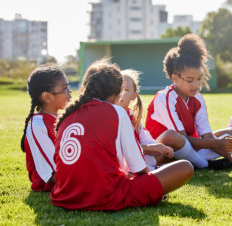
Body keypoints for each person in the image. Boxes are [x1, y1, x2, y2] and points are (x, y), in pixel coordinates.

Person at [50, 60, 193, 210]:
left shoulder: (66, 116)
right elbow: (138, 168)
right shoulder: (116, 112)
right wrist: (153, 186)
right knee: (185, 167)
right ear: (117, 94)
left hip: (64, 196)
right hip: (104, 196)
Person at [145, 34, 232, 170]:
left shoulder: (198, 98)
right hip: (163, 151)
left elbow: (207, 135)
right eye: (189, 80)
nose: (196, 85)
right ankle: (205, 164)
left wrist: (229, 156)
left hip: (189, 149)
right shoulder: (164, 98)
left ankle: (194, 161)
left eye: (199, 79)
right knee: (173, 136)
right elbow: (181, 139)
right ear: (175, 78)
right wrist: (216, 144)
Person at [117, 69, 184, 170]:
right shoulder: (110, 116)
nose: (121, 93)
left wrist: (161, 148)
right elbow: (120, 149)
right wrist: (149, 148)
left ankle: (154, 169)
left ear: (134, 96)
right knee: (182, 167)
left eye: (126, 90)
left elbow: (145, 139)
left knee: (162, 155)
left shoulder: (132, 116)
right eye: (118, 89)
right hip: (122, 163)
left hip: (136, 159)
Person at [21, 65, 71, 191]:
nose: (69, 92)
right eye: (65, 88)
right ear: (47, 97)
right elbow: (53, 174)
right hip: (51, 182)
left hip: (69, 173)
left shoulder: (62, 118)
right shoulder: (37, 125)